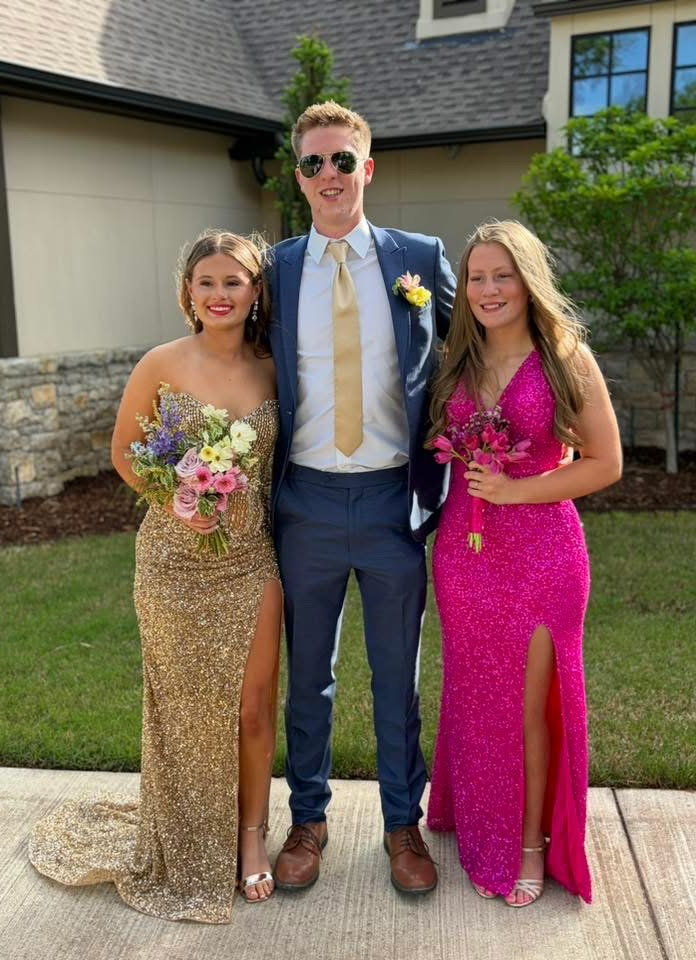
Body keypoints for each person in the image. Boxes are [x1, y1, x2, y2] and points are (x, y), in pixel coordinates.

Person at [29, 230, 281, 921]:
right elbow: (125, 452)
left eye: (235, 281)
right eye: (207, 281)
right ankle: (188, 844)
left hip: (253, 559)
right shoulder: (161, 363)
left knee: (254, 708)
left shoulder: (273, 367)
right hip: (173, 562)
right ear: (188, 293)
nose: (220, 294)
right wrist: (175, 497)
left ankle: (252, 837)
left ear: (256, 291)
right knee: (181, 715)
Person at [268, 101, 456, 895]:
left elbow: (477, 343)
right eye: (313, 163)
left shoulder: (419, 256)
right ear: (299, 176)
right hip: (306, 503)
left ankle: (400, 826)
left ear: (367, 168)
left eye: (342, 160)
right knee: (307, 675)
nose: (329, 176)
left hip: (390, 503)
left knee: (395, 675)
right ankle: (307, 820)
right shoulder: (272, 269)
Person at [426, 219, 622, 906]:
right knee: (477, 696)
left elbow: (606, 462)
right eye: (476, 277)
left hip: (544, 555)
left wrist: (519, 489)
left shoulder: (565, 356)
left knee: (530, 708)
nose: (487, 289)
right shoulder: (457, 360)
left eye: (501, 275)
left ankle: (532, 844)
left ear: (527, 280)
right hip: (463, 553)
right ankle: (479, 822)